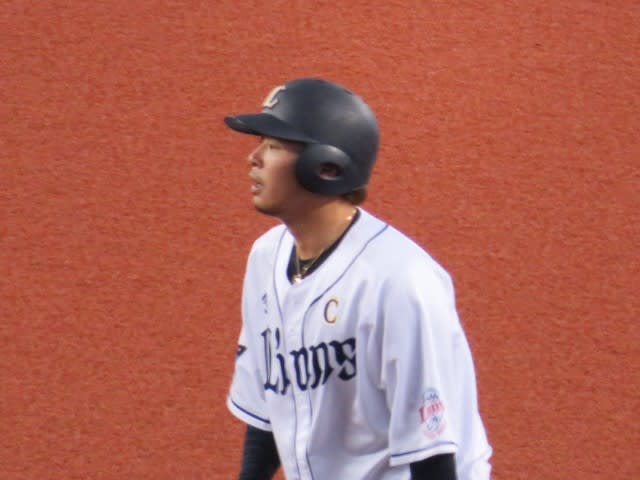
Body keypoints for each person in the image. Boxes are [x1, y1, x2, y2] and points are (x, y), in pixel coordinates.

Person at [224, 78, 492, 480]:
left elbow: (434, 453)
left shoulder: (400, 283)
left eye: (274, 145)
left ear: (326, 167)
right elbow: (268, 411)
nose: (254, 158)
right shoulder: (266, 258)